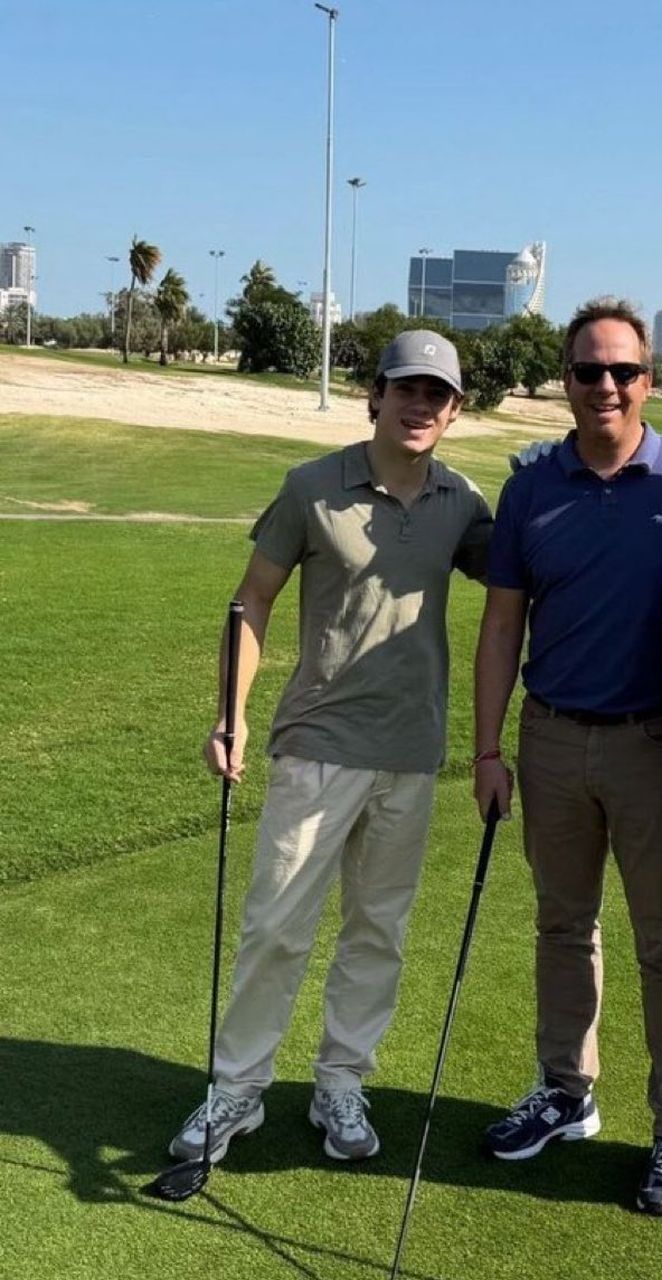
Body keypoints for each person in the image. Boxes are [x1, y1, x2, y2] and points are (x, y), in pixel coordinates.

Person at [167, 331, 493, 1166]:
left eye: (438, 395)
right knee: (277, 925)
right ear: (374, 396)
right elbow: (251, 603)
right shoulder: (313, 487)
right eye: (406, 389)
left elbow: (522, 579)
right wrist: (229, 716)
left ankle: (341, 1082)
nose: (421, 406)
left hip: (412, 752)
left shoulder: (463, 501)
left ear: (455, 410)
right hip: (317, 742)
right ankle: (237, 1090)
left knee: (377, 931)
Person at [473, 297, 662, 1216]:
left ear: (650, 382)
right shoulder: (532, 486)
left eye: (623, 371)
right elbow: (503, 625)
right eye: (589, 371)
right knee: (561, 923)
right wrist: (489, 748)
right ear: (566, 382)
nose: (607, 386)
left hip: (658, 741)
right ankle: (565, 1093)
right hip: (549, 737)